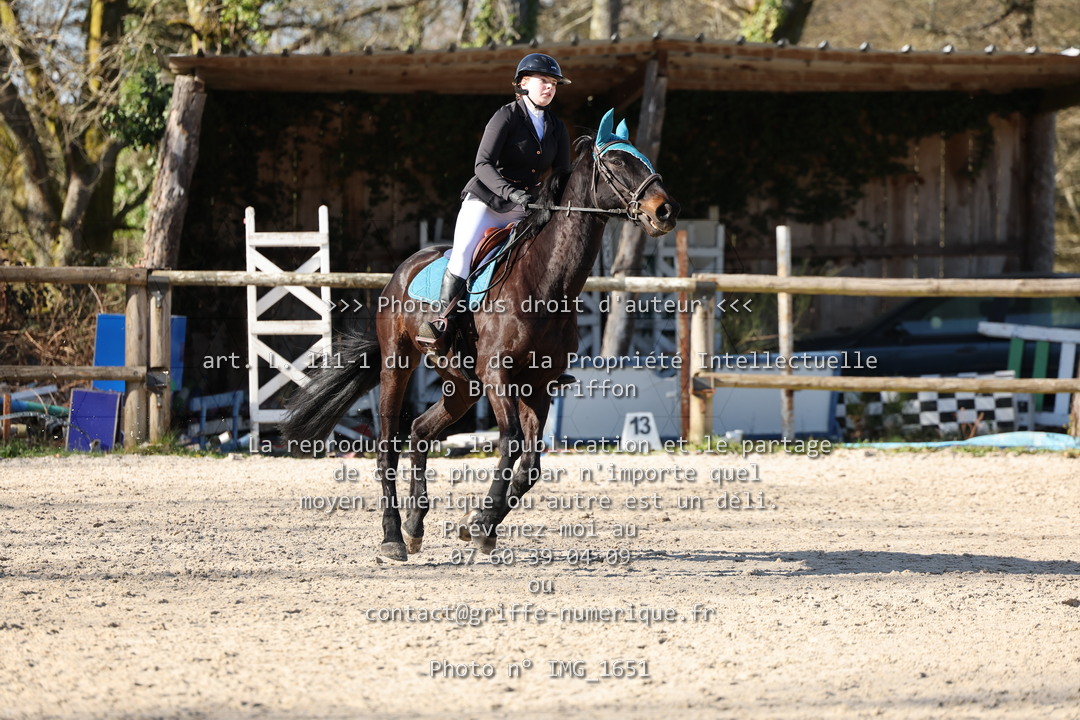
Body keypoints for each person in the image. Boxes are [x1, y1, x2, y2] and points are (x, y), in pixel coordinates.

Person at [417, 52, 572, 353]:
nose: (550, 87)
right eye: (544, 80)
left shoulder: (557, 126)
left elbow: (562, 175)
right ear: (523, 83)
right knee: (463, 254)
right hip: (487, 201)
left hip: (527, 207)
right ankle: (442, 325)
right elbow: (482, 164)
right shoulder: (506, 116)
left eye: (554, 83)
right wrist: (511, 193)